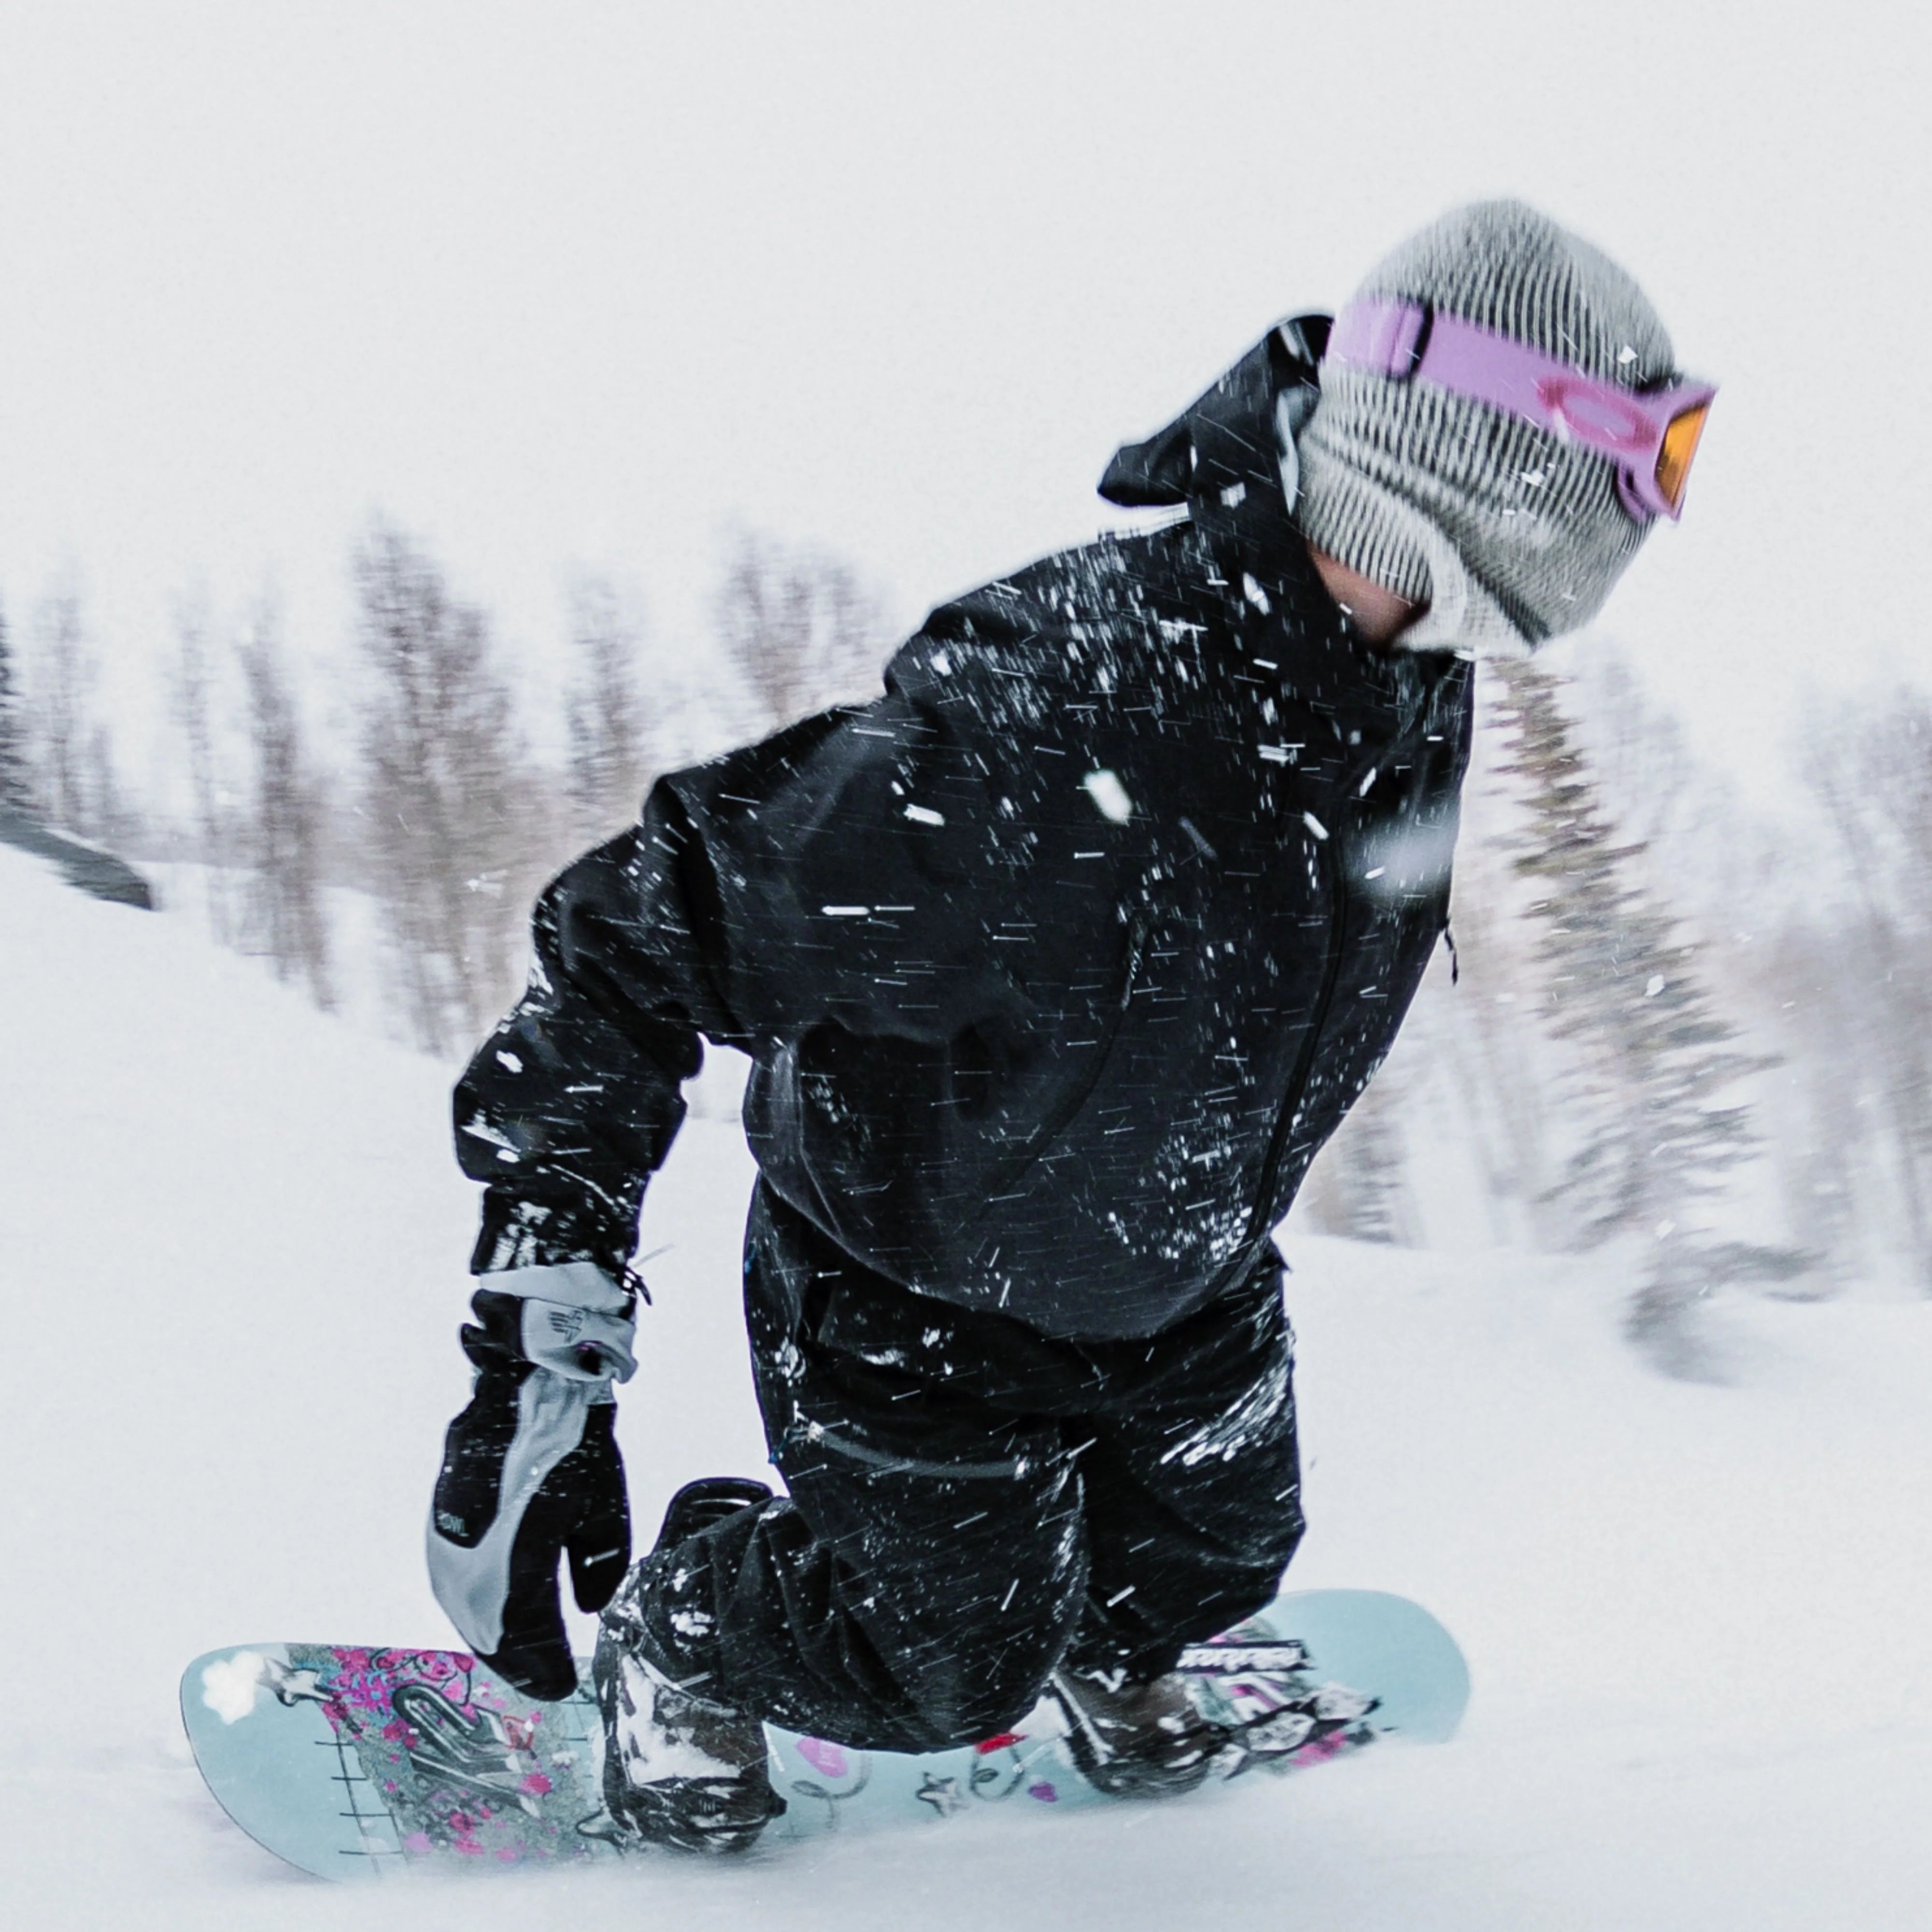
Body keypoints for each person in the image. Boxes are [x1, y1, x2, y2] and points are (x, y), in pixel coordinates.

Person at [425, 199, 1713, 1852]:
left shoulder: (1407, 684)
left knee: (1222, 1553)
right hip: (914, 1294)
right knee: (940, 1670)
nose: (1653, 513)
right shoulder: (1058, 725)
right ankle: (692, 1642)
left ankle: (1112, 1656)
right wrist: (542, 1347)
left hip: (1181, 1265)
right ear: (1487, 464)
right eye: (1642, 460)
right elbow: (639, 933)